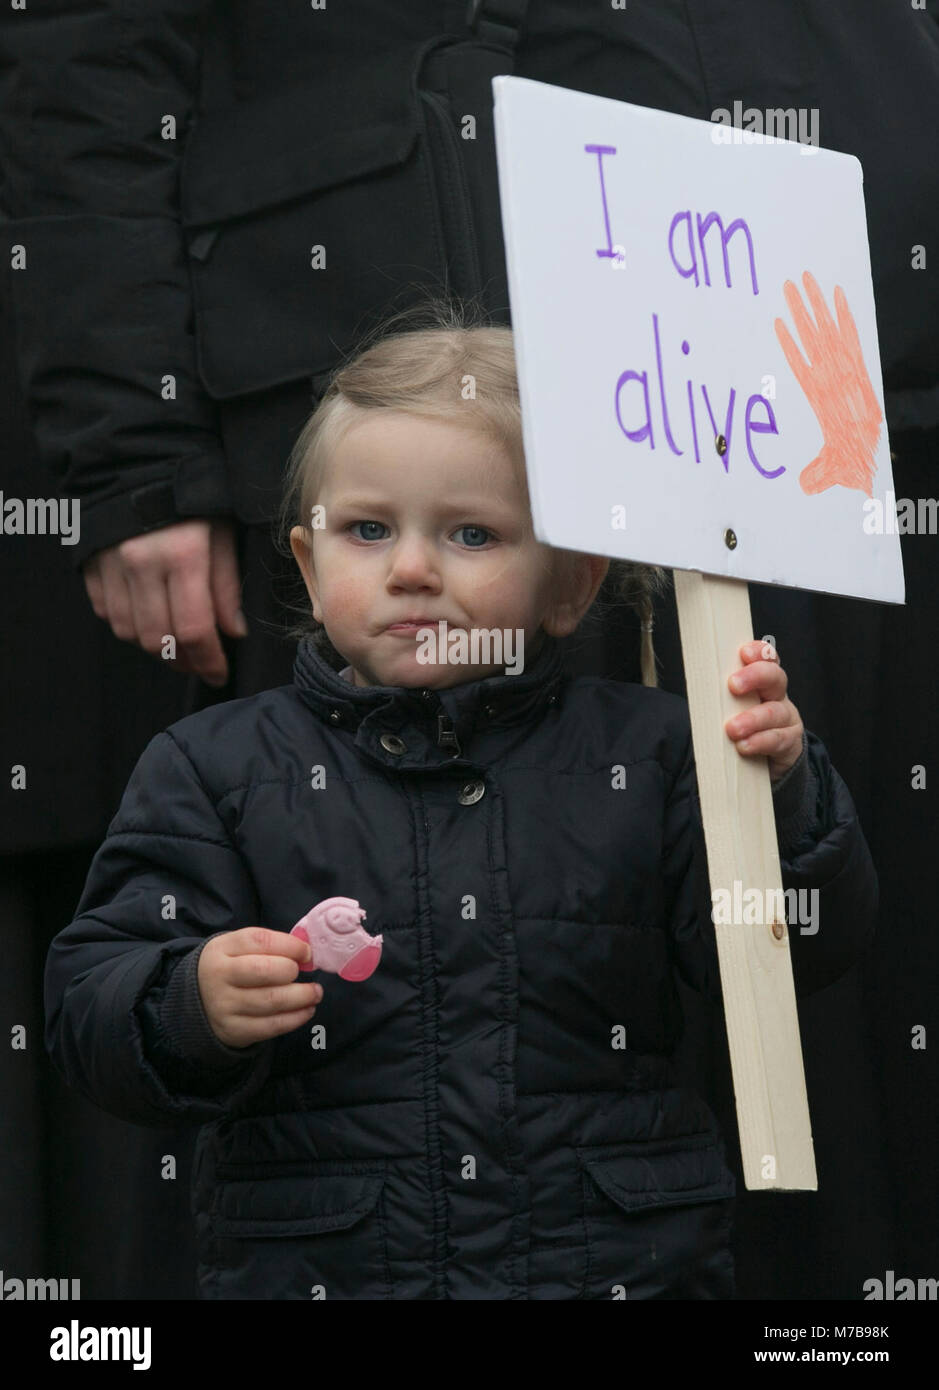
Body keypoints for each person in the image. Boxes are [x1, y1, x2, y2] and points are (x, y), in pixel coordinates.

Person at [43, 308, 877, 1300]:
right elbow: (89, 1008)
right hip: (330, 1270)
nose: (410, 568)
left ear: (569, 584)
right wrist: (188, 1002)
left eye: (471, 532)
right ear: (309, 566)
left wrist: (775, 790)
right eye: (367, 529)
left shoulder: (653, 752)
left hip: (609, 1268)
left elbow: (794, 959)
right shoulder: (213, 766)